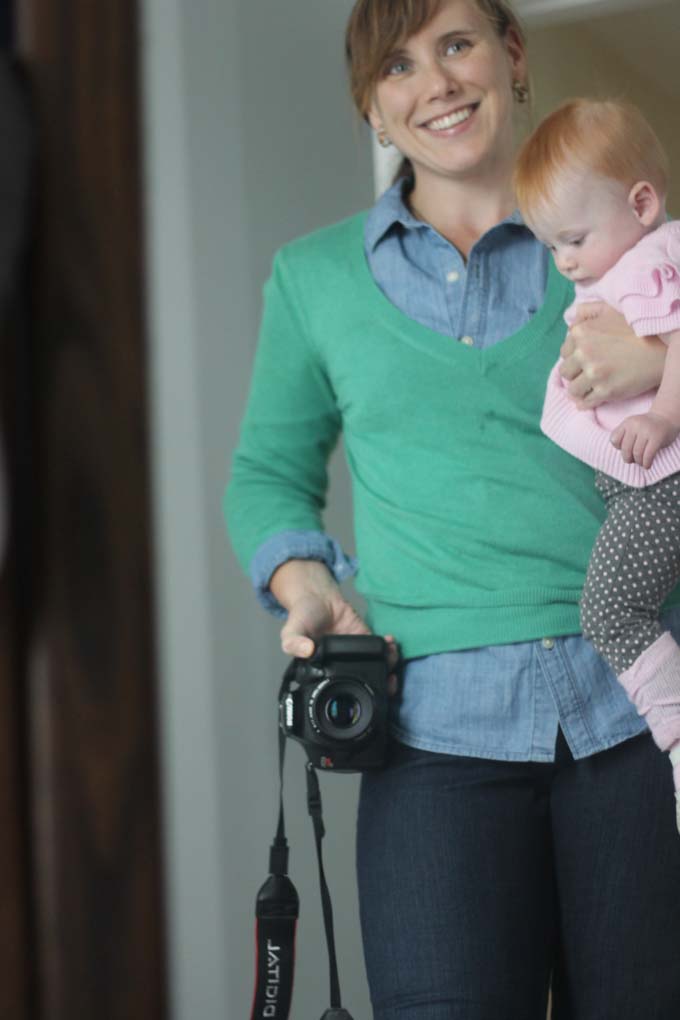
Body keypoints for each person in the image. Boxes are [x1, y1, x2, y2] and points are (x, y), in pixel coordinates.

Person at [226, 2, 680, 1017]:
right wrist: (307, 584)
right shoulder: (313, 280)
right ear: (372, 107)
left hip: (639, 720)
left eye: (457, 44)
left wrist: (655, 362)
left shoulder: (623, 237)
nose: (434, 81)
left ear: (511, 59)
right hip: (434, 742)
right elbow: (266, 471)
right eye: (397, 64)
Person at [514, 98, 680, 835]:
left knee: (610, 610)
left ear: (641, 203)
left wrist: (665, 415)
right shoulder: (621, 267)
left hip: (662, 480)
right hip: (641, 484)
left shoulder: (651, 262)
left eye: (574, 239)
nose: (566, 262)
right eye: (552, 247)